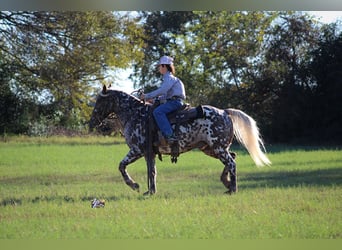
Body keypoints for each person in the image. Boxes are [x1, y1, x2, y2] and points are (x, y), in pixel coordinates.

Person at [141, 55, 186, 143]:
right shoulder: (169, 78)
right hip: (173, 101)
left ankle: (170, 135)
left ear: (164, 66)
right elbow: (165, 95)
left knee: (158, 112)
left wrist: (146, 96)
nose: (159, 69)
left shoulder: (169, 78)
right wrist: (154, 100)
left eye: (159, 66)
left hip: (175, 102)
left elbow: (162, 90)